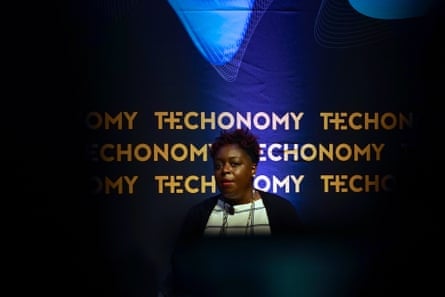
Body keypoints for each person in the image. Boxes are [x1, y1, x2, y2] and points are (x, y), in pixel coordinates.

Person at [159, 128, 303, 297]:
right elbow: (181, 274)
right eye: (218, 165)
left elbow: (299, 273)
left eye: (234, 164)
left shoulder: (281, 212)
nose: (225, 170)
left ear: (252, 169)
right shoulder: (199, 215)